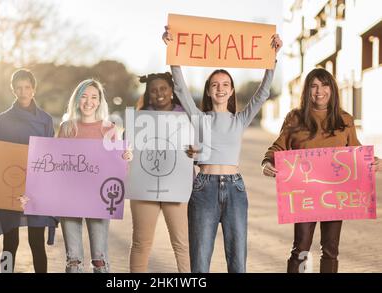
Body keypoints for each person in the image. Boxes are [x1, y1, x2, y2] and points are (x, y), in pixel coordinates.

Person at [163, 26, 283, 273]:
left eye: (225, 84)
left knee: (238, 260)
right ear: (208, 90)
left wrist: (272, 59)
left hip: (235, 189)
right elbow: (181, 90)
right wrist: (172, 51)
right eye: (215, 84)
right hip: (203, 188)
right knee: (200, 260)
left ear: (231, 91)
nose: (220, 88)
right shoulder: (199, 117)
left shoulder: (240, 119)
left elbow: (261, 95)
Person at [261, 68, 381, 273]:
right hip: (304, 196)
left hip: (335, 196)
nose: (319, 91)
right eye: (314, 86)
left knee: (331, 249)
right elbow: (278, 147)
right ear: (307, 90)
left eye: (324, 85)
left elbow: (355, 152)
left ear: (332, 89)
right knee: (300, 248)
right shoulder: (295, 118)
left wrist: (375, 161)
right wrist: (267, 162)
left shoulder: (345, 119)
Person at [0, 69, 58, 273]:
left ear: (34, 90)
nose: (23, 91)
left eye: (27, 87)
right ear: (13, 90)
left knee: (37, 243)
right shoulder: (4, 119)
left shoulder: (45, 120)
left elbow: (52, 155)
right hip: (9, 187)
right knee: (10, 243)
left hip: (36, 189)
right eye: (19, 88)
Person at [56, 79, 132, 273]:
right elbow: (54, 165)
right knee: (73, 260)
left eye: (93, 97)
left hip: (98, 199)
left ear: (99, 102)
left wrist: (125, 159)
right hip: (69, 198)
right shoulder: (66, 128)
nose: (88, 101)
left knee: (99, 259)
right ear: (77, 100)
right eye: (84, 96)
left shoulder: (109, 130)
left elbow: (116, 170)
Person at [129, 72, 190, 273]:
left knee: (182, 244)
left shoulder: (187, 116)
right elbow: (125, 147)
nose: (159, 93)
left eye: (163, 88)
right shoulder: (139, 118)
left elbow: (201, 149)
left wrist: (194, 150)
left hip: (176, 186)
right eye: (153, 90)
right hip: (144, 187)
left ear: (172, 90)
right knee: (140, 243)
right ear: (149, 94)